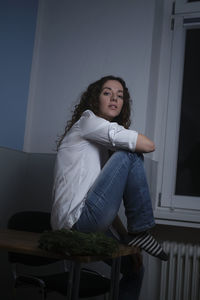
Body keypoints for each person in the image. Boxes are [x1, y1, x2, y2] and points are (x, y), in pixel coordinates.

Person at [51, 75, 168, 299]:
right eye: (107, 93)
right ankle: (141, 230)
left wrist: (125, 238)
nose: (114, 98)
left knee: (134, 268)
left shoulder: (102, 149)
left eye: (120, 95)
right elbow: (148, 145)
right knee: (130, 153)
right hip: (76, 223)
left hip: (87, 221)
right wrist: (135, 233)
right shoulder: (88, 121)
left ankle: (137, 234)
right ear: (95, 99)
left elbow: (103, 202)